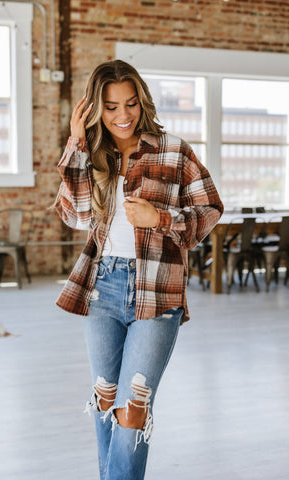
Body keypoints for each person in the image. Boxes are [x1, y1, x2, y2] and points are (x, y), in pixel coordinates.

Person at [54, 59, 223, 480]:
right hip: (102, 288)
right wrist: (75, 144)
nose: (122, 115)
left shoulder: (174, 150)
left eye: (130, 104)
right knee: (105, 400)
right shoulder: (92, 153)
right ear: (95, 108)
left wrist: (161, 218)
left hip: (157, 290)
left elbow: (211, 209)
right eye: (110, 107)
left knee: (134, 406)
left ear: (141, 101)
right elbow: (74, 217)